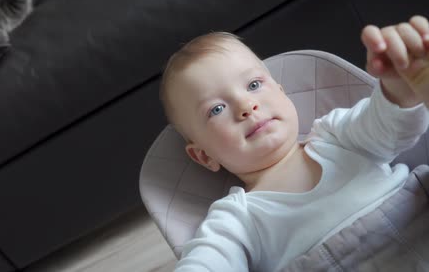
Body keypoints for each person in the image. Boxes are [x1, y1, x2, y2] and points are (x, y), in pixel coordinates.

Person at [158, 15, 429, 271]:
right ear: (204, 156)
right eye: (216, 109)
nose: (245, 106)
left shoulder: (337, 136)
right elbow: (207, 261)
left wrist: (399, 86)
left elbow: (390, 124)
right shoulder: (236, 218)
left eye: (253, 85)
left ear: (281, 92)